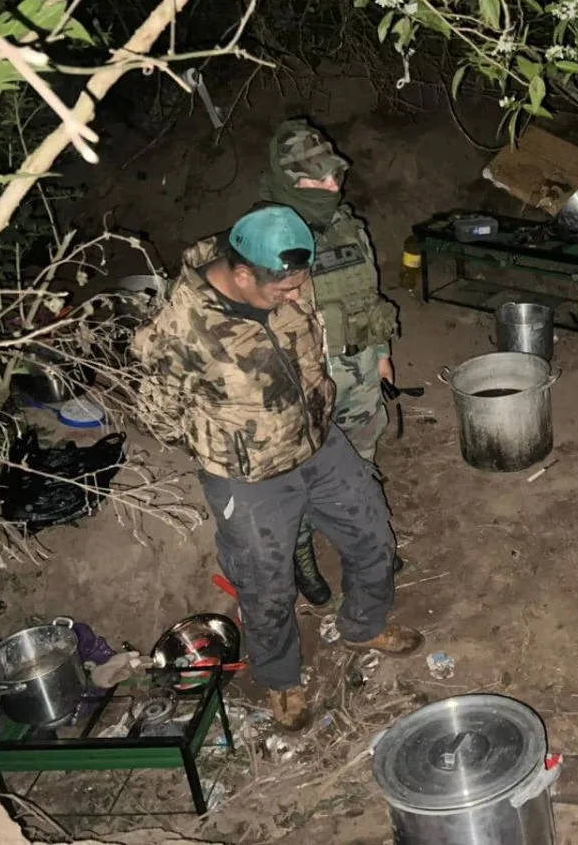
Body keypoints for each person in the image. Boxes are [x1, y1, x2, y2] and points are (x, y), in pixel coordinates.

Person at [133, 204, 422, 732]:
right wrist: (230, 444)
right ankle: (282, 680)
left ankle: (363, 625)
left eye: (299, 284)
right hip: (249, 478)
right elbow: (158, 416)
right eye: (284, 289)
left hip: (320, 444)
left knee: (373, 537)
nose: (297, 295)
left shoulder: (287, 280)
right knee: (265, 585)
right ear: (243, 275)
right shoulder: (180, 330)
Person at [258, 119, 401, 607]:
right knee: (299, 473)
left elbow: (368, 295)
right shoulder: (260, 240)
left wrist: (381, 356)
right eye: (316, 179)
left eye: (333, 176)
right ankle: (301, 552)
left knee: (361, 459)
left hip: (357, 370)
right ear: (287, 181)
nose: (332, 187)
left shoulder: (346, 225)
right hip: (301, 383)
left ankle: (365, 541)